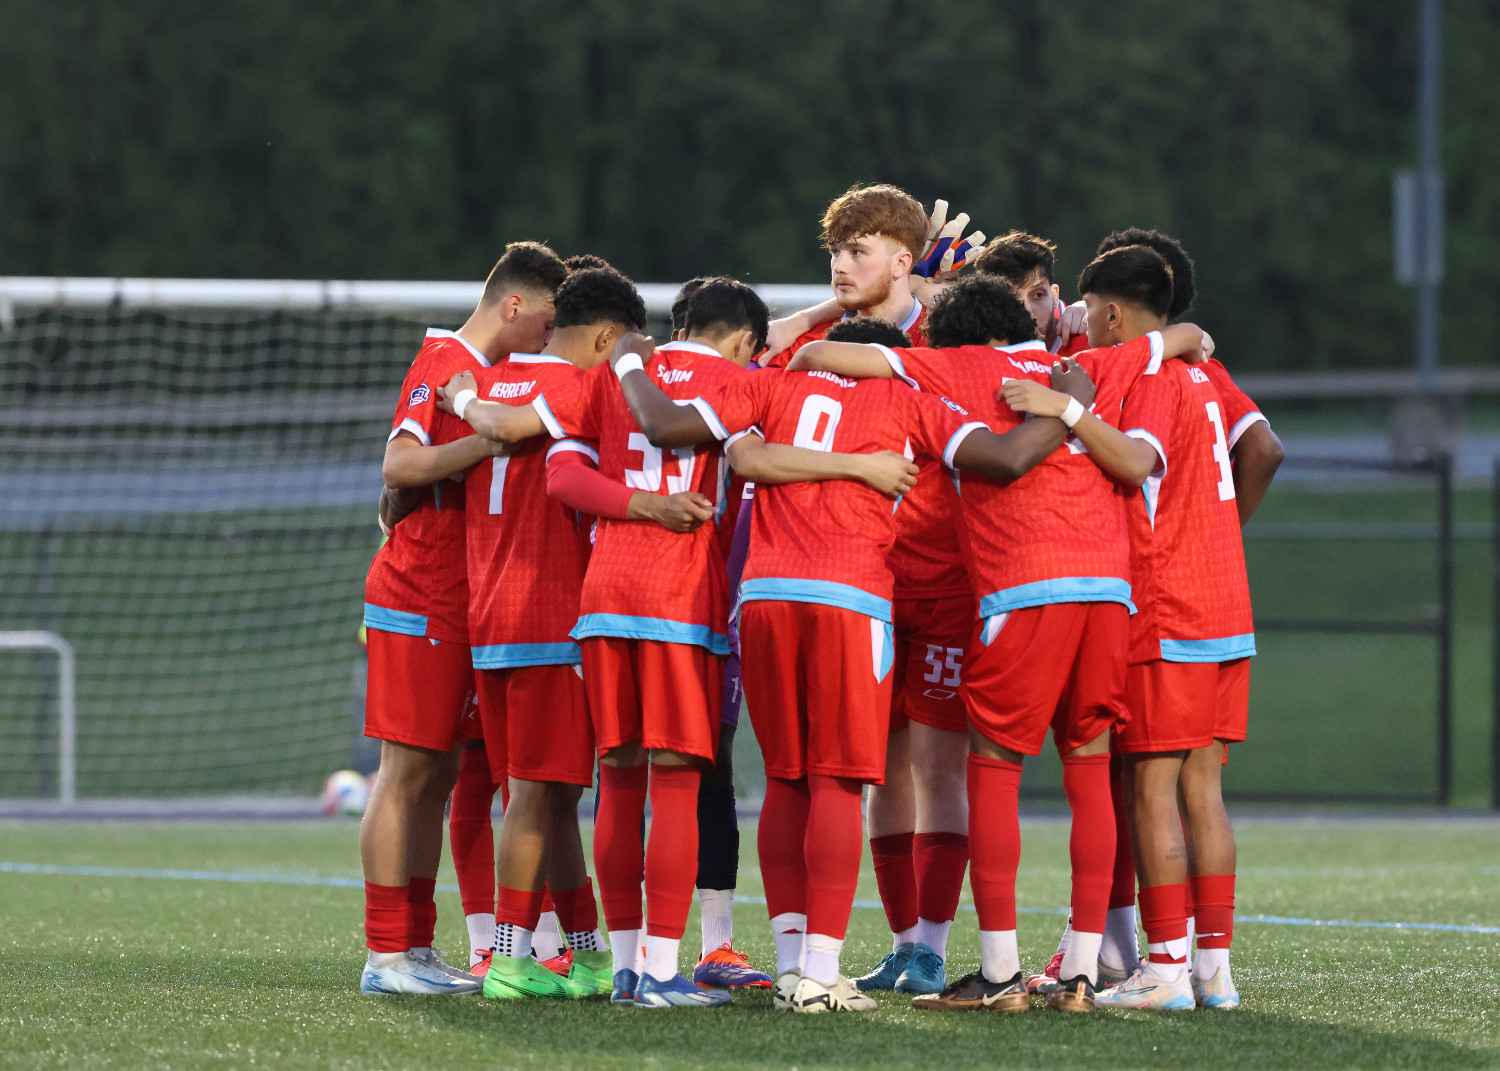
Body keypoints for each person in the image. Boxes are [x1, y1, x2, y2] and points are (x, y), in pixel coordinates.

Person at [444, 276, 922, 1007]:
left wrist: (624, 488)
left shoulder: (604, 375)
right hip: (677, 599)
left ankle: (628, 963)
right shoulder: (739, 382)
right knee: (675, 783)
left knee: (619, 780)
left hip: (601, 598)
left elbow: (563, 473)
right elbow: (750, 449)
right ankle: (664, 969)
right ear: (742, 341)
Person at [605, 323, 1086, 1013]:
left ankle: (792, 959)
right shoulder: (907, 399)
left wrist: (627, 359)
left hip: (764, 595)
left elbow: (668, 421)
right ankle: (820, 976)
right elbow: (1006, 458)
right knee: (838, 781)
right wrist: (1072, 404)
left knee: (784, 779)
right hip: (850, 597)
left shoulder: (770, 383)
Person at [792, 268, 1209, 1013]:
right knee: (1088, 768)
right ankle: (1081, 972)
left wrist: (809, 348)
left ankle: (999, 972)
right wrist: (1151, 347)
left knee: (992, 768)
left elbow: (831, 358)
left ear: (958, 337)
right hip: (1110, 591)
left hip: (1026, 586)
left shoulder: (950, 362)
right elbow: (1179, 340)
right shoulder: (1076, 366)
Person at [1008, 242, 1281, 1012]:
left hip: (1168, 607)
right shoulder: (1205, 374)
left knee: (1152, 786)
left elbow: (1133, 460)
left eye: (1090, 314)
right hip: (1226, 604)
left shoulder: (1150, 373)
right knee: (1204, 788)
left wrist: (1067, 410)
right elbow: (1264, 447)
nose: (1082, 327)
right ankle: (1212, 972)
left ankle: (1162, 967)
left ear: (1115, 313)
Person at [357, 241, 566, 996]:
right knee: (404, 771)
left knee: (439, 774)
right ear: (513, 304)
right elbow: (399, 466)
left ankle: (414, 944)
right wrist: (489, 437)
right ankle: (385, 952)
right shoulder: (445, 361)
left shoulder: (495, 375)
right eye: (544, 318)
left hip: (463, 598)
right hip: (419, 593)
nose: (549, 334)